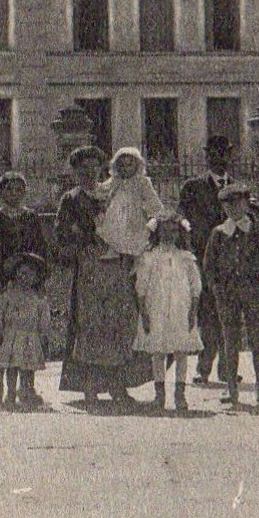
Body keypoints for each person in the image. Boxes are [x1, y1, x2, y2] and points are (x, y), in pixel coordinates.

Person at [55, 146, 153, 406]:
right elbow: (62, 234)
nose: (88, 173)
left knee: (120, 323)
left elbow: (136, 218)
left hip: (118, 264)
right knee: (91, 324)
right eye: (82, 168)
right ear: (75, 172)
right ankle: (90, 387)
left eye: (93, 167)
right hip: (90, 266)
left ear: (102, 168)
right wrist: (82, 240)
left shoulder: (113, 190)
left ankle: (117, 386)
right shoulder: (71, 199)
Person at [201, 181, 259, 408]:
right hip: (228, 294)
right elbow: (209, 266)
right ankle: (232, 388)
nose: (232, 209)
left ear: (247, 204)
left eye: (237, 203)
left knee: (256, 339)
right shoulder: (219, 234)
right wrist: (217, 288)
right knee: (230, 340)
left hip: (253, 292)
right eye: (227, 205)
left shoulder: (257, 231)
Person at [177, 135, 240, 386]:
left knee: (231, 315)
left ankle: (227, 369)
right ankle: (203, 368)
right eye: (213, 153)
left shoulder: (238, 188)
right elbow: (183, 223)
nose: (218, 158)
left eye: (223, 153)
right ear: (207, 156)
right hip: (203, 260)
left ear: (229, 155)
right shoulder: (192, 187)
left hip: (233, 263)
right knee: (207, 316)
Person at [0, 171, 46, 407]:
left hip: (28, 278)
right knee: (1, 337)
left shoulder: (31, 217)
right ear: (0, 193)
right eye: (9, 189)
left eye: (19, 189)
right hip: (5, 280)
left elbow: (41, 247)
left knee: (28, 336)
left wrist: (38, 277)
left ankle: (27, 388)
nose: (14, 194)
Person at [133, 216, 204, 412]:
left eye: (173, 231)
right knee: (158, 352)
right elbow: (142, 287)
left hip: (180, 309)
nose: (168, 235)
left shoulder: (186, 258)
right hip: (157, 308)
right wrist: (144, 312)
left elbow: (195, 286)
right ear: (157, 233)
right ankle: (159, 395)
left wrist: (193, 311)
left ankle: (180, 395)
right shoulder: (149, 257)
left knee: (181, 352)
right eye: (164, 231)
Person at [0, 252, 54, 409]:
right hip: (11, 335)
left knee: (28, 368)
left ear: (36, 278)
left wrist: (43, 334)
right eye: (22, 273)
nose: (25, 278)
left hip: (30, 337)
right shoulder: (8, 296)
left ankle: (26, 392)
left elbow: (43, 317)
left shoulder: (38, 298)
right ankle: (10, 393)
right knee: (11, 366)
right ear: (15, 274)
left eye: (30, 275)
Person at [95, 147, 170, 258]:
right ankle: (116, 254)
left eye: (129, 165)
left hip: (135, 218)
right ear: (116, 166)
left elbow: (153, 201)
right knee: (115, 238)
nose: (125, 169)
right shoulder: (115, 180)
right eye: (122, 165)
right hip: (116, 216)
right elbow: (101, 190)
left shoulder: (142, 181)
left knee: (135, 246)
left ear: (137, 165)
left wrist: (153, 217)